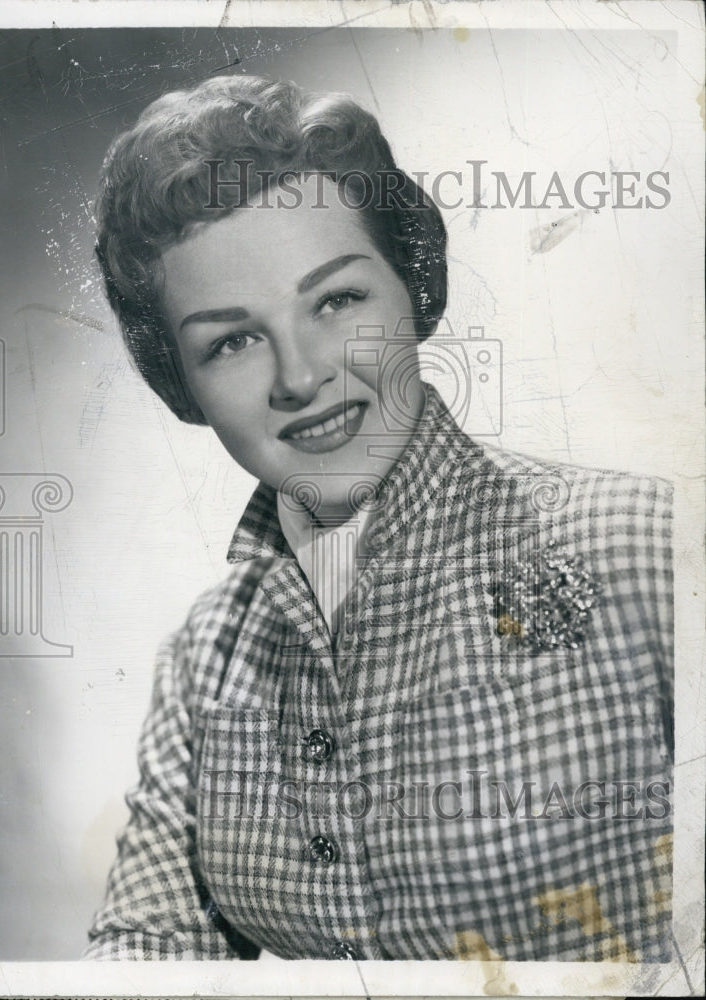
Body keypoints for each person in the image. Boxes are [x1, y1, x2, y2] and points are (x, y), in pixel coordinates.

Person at [84, 74, 673, 962]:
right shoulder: (206, 660)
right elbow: (148, 946)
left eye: (336, 300)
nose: (300, 374)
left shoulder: (643, 546)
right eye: (230, 341)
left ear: (412, 287)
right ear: (182, 382)